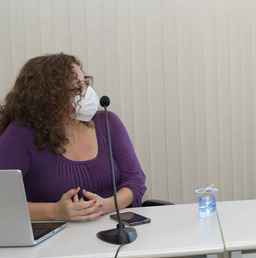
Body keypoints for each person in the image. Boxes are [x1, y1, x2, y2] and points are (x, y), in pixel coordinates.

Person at [0, 53, 147, 221]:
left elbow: (135, 181)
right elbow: (3, 203)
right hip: (52, 239)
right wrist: (55, 211)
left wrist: (105, 205)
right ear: (49, 96)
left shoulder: (107, 122)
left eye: (85, 82)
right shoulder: (21, 134)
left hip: (111, 231)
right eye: (77, 87)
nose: (87, 92)